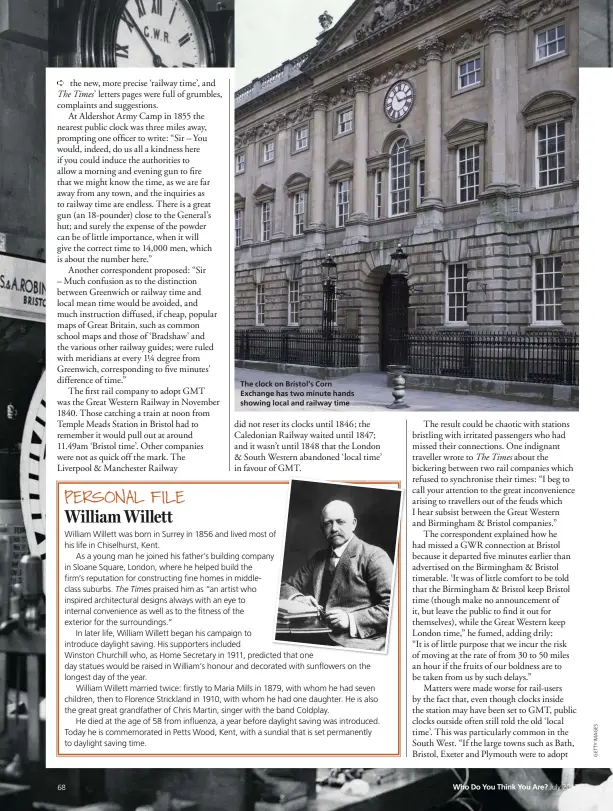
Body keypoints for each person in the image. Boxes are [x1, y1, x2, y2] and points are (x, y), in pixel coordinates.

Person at [279, 500, 393, 651]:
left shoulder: (374, 556)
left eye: (340, 522)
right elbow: (284, 586)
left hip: (357, 642)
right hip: (316, 636)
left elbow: (393, 608)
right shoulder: (318, 558)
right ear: (322, 528)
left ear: (353, 524)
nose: (333, 529)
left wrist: (350, 619)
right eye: (328, 523)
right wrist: (298, 598)